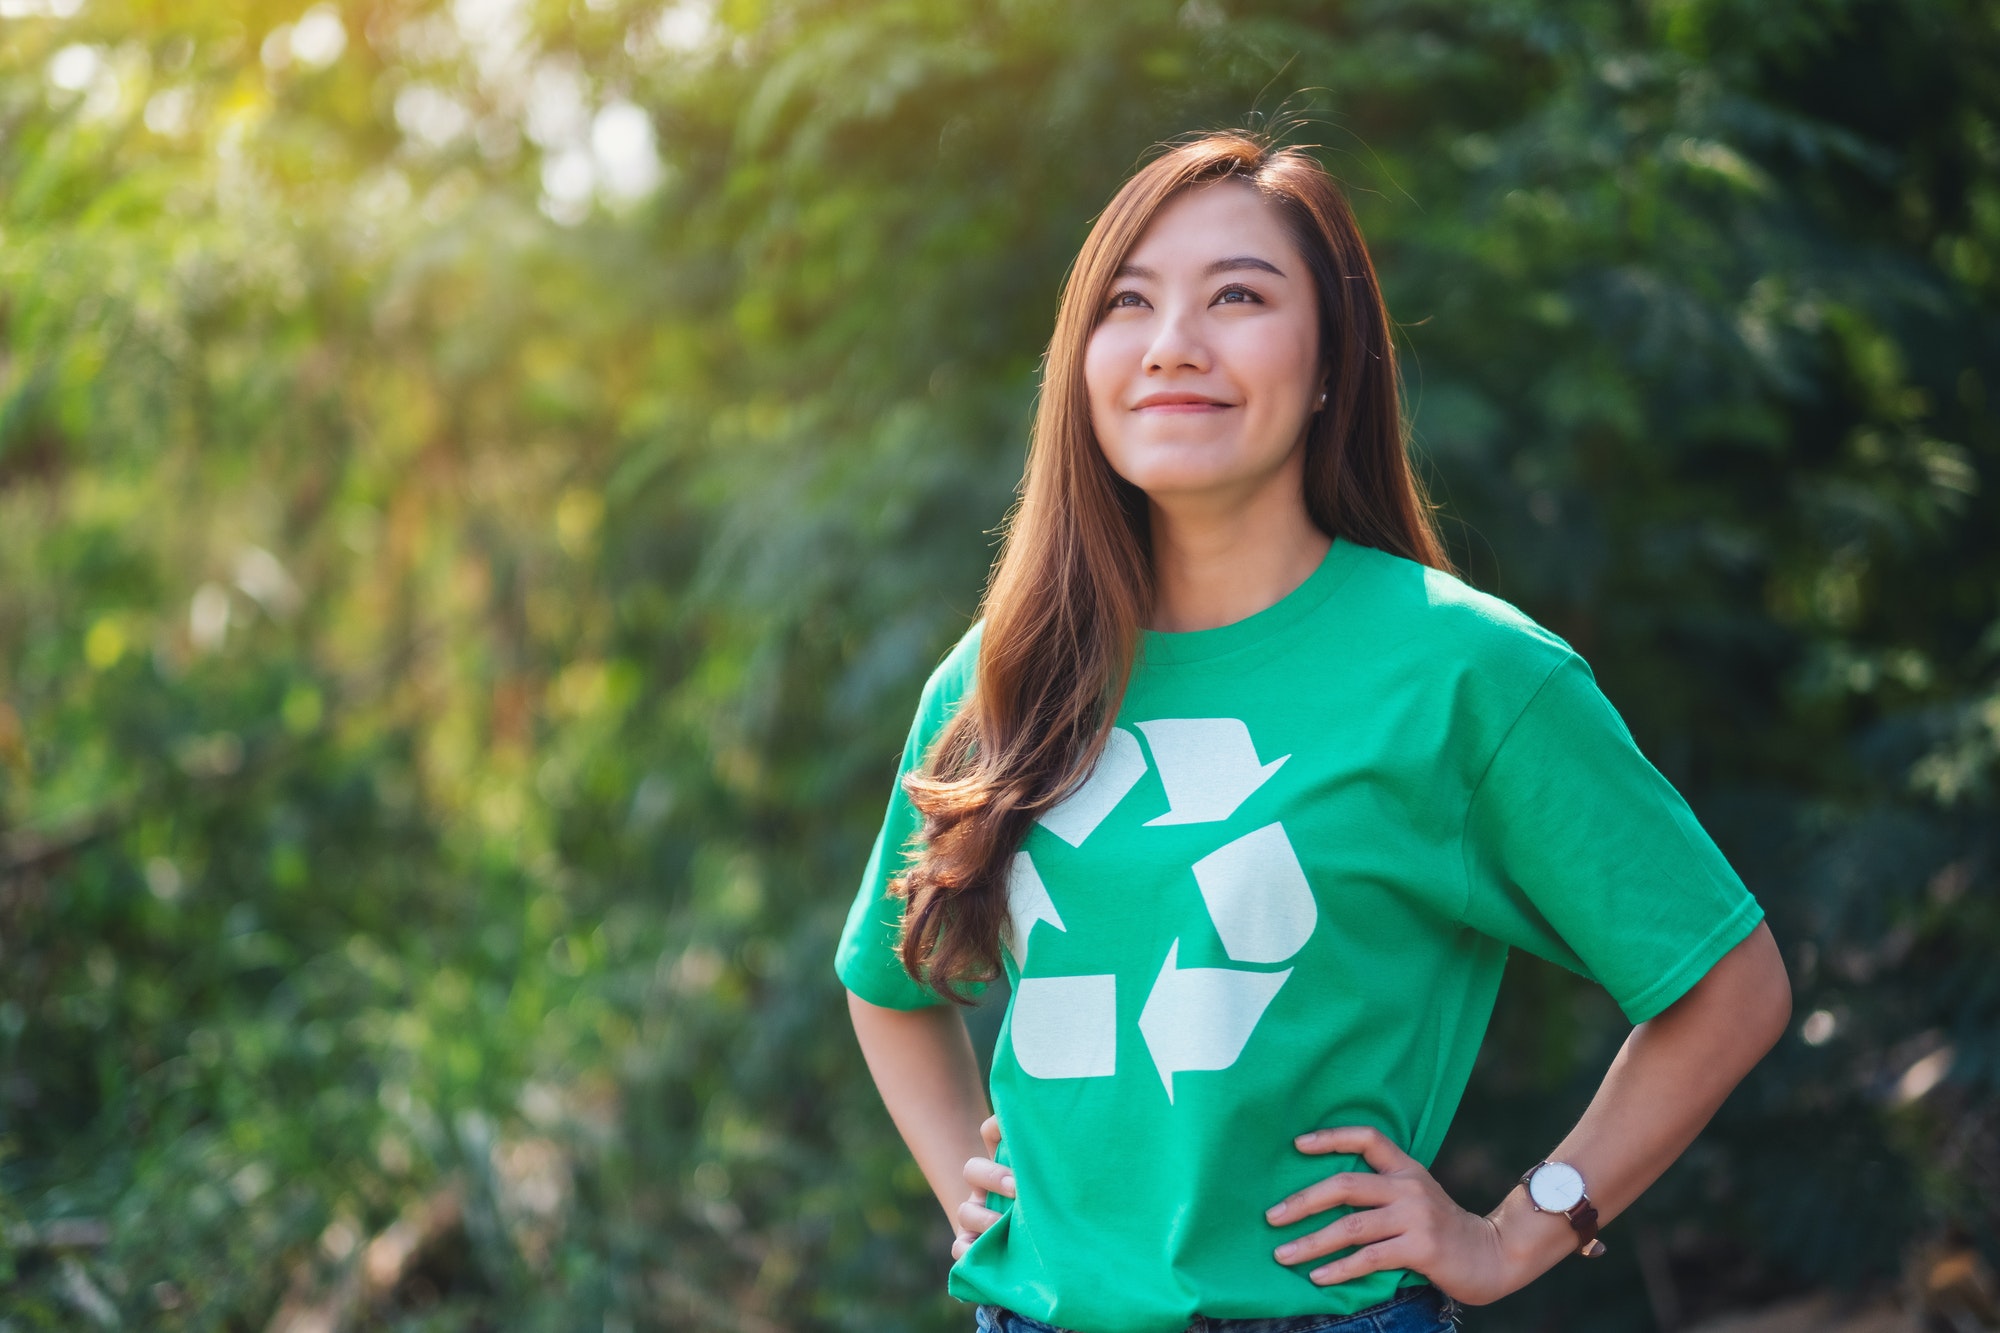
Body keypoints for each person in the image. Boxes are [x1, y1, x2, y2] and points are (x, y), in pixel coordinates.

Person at [832, 130, 1792, 1333]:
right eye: (1128, 301)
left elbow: (1727, 986)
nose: (1174, 340)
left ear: (1333, 362)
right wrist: (965, 1201)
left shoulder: (1463, 670)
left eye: (1236, 294)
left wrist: (1515, 1228)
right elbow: (887, 981)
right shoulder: (1004, 675)